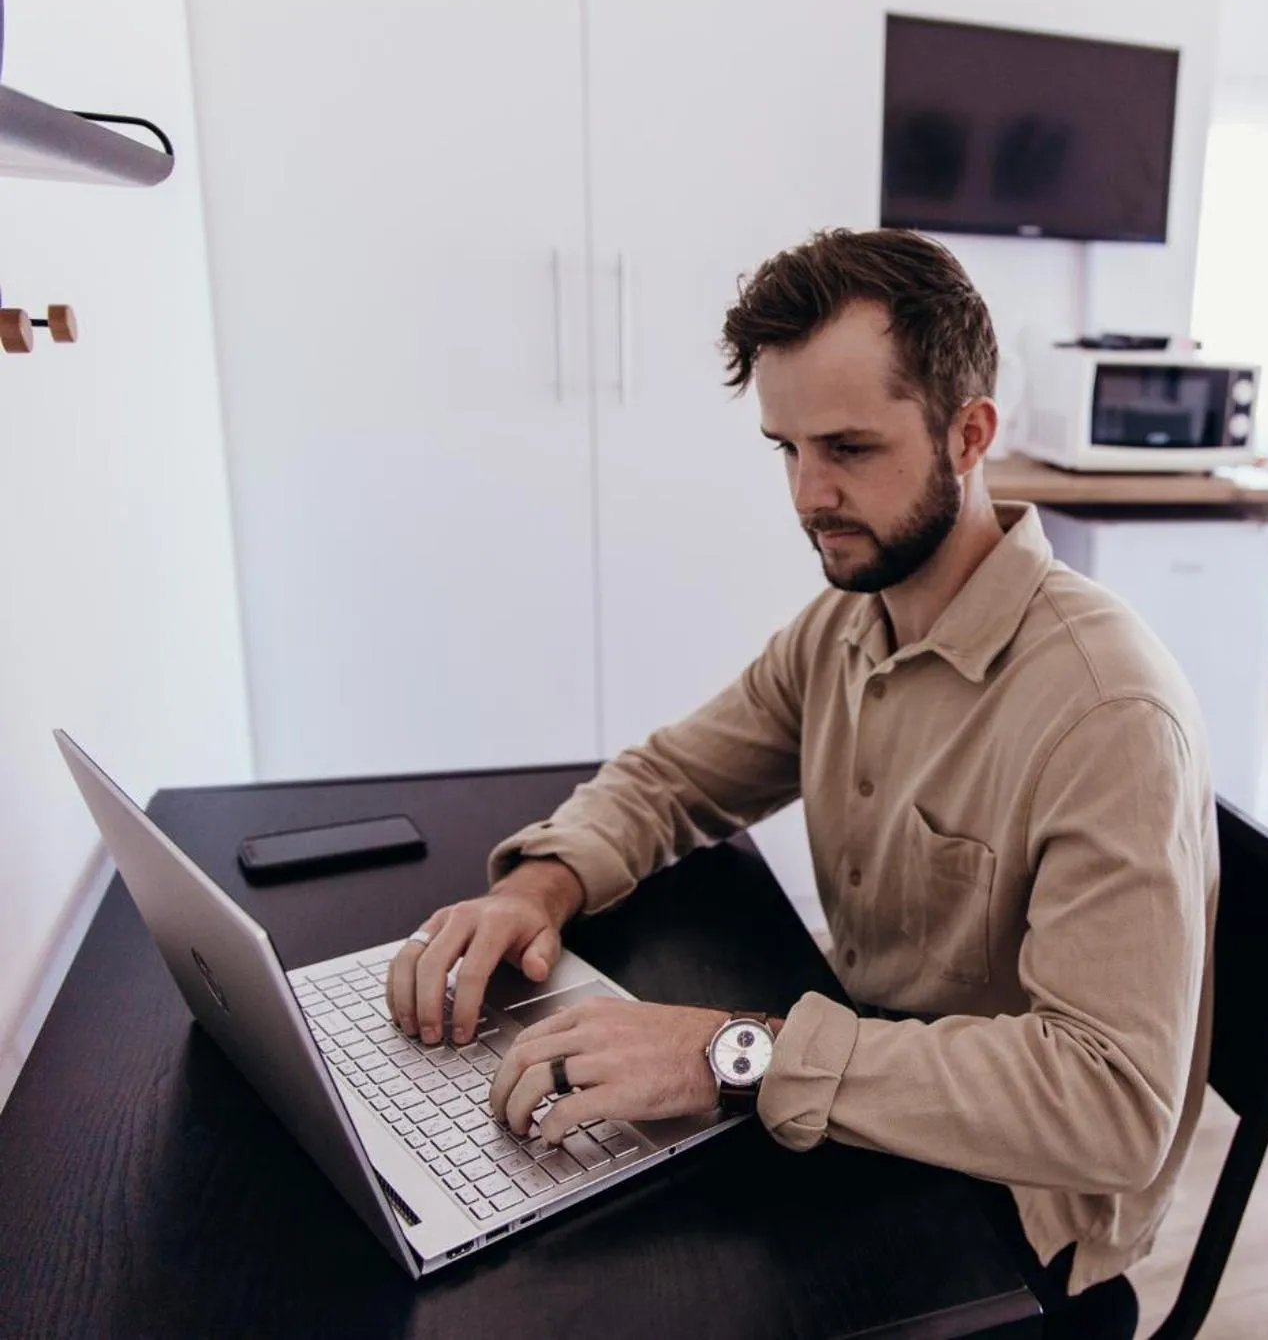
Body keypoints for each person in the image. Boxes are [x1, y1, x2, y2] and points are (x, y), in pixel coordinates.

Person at [384, 228, 1216, 1338]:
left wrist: (733, 1052)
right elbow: (676, 776)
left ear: (969, 435)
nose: (807, 495)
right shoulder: (849, 622)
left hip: (1005, 1223)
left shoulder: (1105, 713)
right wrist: (539, 885)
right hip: (866, 1094)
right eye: (784, 448)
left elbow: (1110, 1108)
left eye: (849, 448)